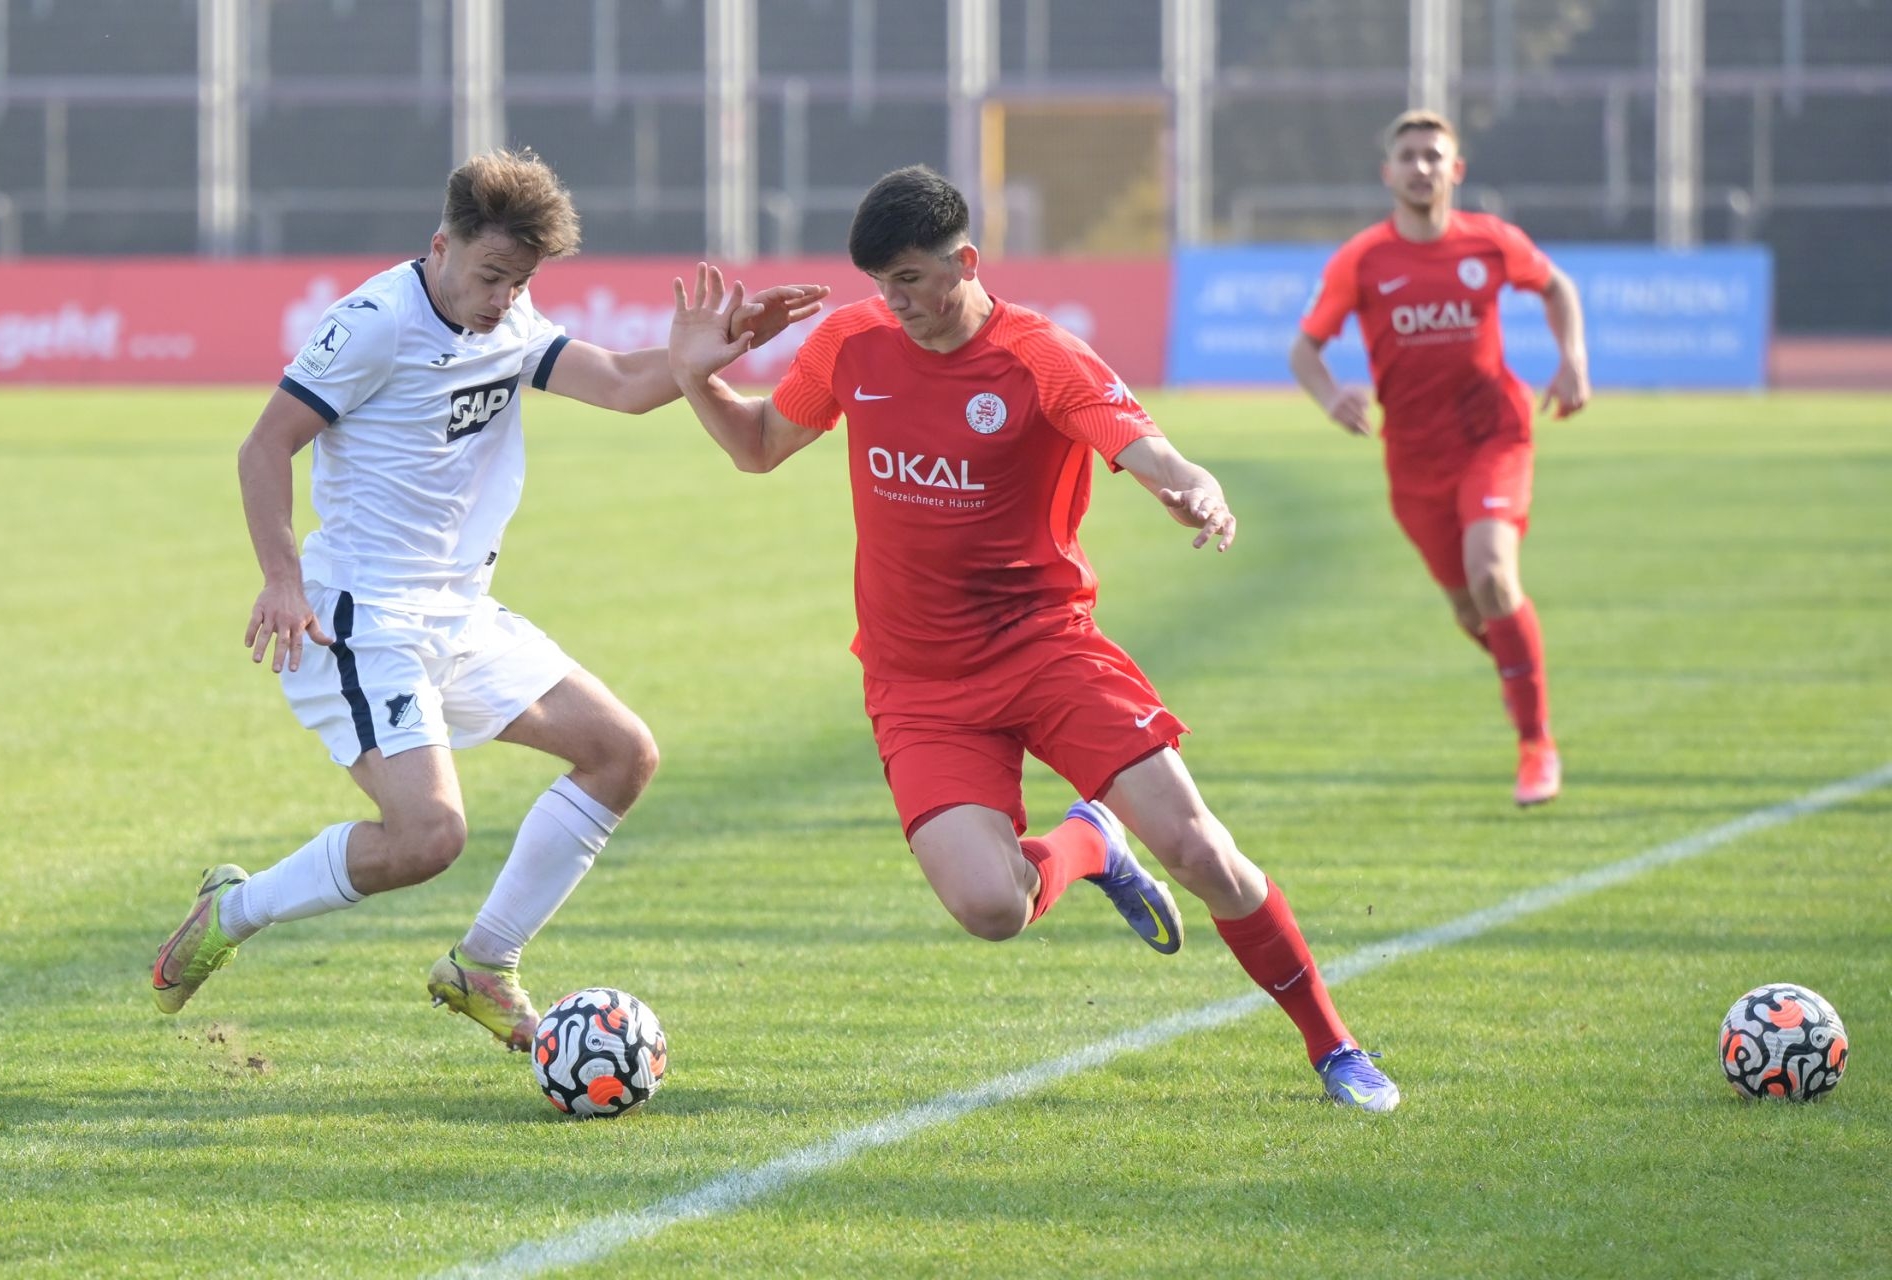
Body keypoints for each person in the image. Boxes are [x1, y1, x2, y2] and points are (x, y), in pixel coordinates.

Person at [663, 164, 1400, 1111]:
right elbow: (759, 446)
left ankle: (1334, 1048)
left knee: (1200, 852)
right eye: (883, 283)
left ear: (966, 261)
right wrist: (695, 375)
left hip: (1046, 650)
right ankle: (1090, 844)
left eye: (915, 279)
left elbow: (1142, 445)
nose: (897, 302)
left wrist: (1193, 484)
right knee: (991, 909)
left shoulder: (1043, 357)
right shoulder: (852, 341)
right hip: (918, 683)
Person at [151, 147, 828, 1050]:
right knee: (428, 836)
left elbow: (625, 386)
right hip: (360, 620)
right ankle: (233, 912)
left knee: (622, 754)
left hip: (459, 615)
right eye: (492, 275)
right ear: (442, 246)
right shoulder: (372, 325)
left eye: (521, 281)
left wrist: (708, 351)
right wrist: (280, 578)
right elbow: (263, 447)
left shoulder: (508, 321)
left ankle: (484, 963)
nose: (505, 296)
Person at [1290, 109, 1591, 807]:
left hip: (1494, 436)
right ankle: (1524, 673)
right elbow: (1304, 349)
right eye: (1409, 155)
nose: (1421, 167)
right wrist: (1331, 397)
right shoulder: (1362, 260)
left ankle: (1535, 743)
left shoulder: (1490, 241)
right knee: (1471, 611)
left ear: (1455, 170)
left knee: (1492, 574)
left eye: (1434, 155)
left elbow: (1556, 287)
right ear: (1388, 173)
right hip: (1414, 461)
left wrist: (1572, 359)